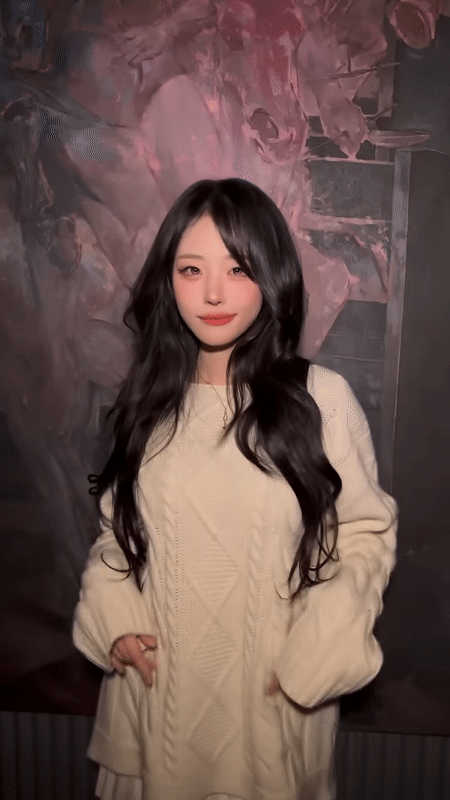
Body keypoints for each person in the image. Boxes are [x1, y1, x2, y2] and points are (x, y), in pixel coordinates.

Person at [73, 178, 397, 800]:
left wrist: (316, 655)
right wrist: (115, 623)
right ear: (168, 280)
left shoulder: (320, 400)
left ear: (271, 274)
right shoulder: (147, 404)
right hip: (152, 724)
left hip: (269, 726)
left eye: (238, 268)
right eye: (191, 269)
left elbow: (363, 538)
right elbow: (117, 542)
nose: (213, 293)